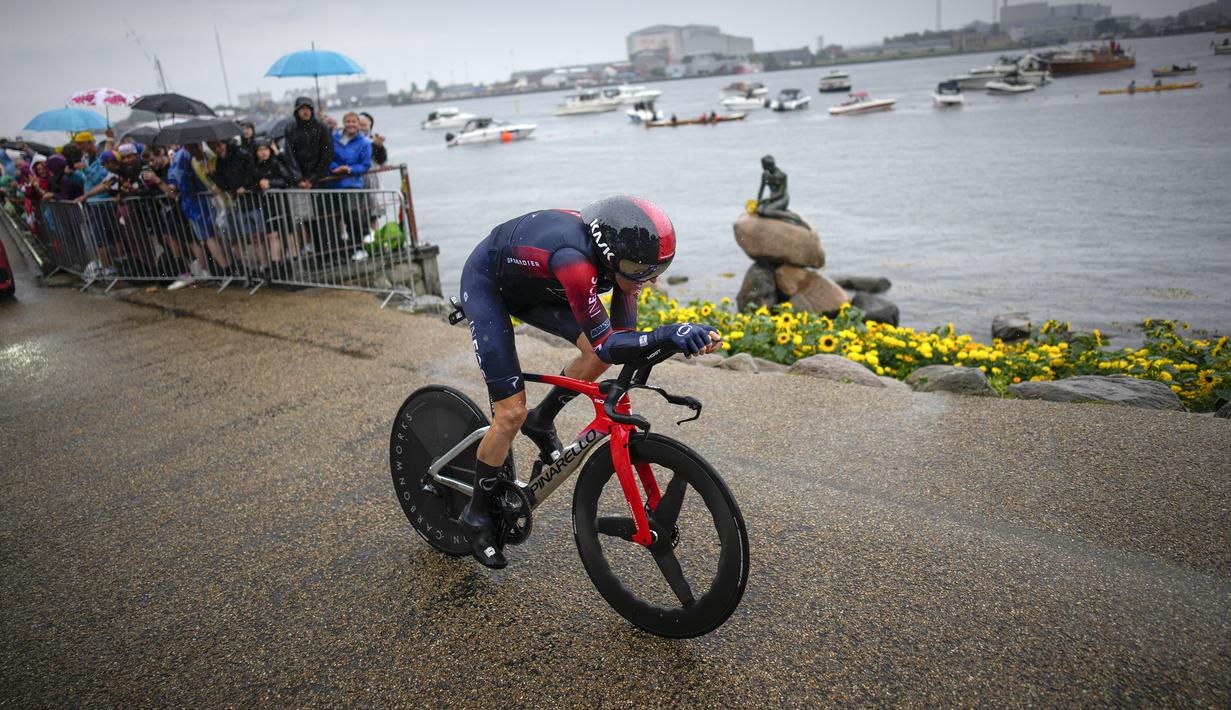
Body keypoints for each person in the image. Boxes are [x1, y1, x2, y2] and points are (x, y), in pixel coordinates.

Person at [456, 196, 722, 568]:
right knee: (510, 413)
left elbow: (622, 341)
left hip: (536, 287)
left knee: (597, 355)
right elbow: (611, 343)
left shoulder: (619, 265)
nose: (652, 279)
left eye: (658, 269)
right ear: (613, 259)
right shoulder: (575, 262)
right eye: (642, 270)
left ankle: (543, 418)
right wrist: (666, 333)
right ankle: (476, 515)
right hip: (489, 283)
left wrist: (679, 338)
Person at [282, 96, 333, 257]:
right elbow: (289, 156)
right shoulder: (290, 129)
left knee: (324, 218)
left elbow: (327, 154)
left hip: (319, 179)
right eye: (302, 109)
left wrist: (313, 178)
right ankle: (317, 253)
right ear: (297, 111)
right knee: (308, 220)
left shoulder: (321, 128)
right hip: (301, 181)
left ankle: (329, 253)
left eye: (308, 108)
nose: (305, 111)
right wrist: (299, 179)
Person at [327, 112, 372, 260]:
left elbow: (365, 165)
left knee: (352, 212)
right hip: (336, 183)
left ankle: (361, 244)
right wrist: (335, 168)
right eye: (348, 122)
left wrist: (349, 169)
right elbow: (329, 157)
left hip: (353, 182)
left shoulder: (364, 143)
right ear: (344, 123)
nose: (351, 124)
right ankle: (357, 245)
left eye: (354, 122)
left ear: (358, 124)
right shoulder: (334, 139)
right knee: (345, 216)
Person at [251, 138, 291, 276]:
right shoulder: (255, 167)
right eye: (260, 150)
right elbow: (252, 185)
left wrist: (270, 183)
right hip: (265, 204)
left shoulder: (276, 162)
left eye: (265, 149)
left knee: (283, 234)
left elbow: (287, 179)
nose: (263, 153)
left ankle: (282, 264)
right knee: (271, 235)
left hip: (279, 203)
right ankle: (276, 265)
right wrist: (259, 185)